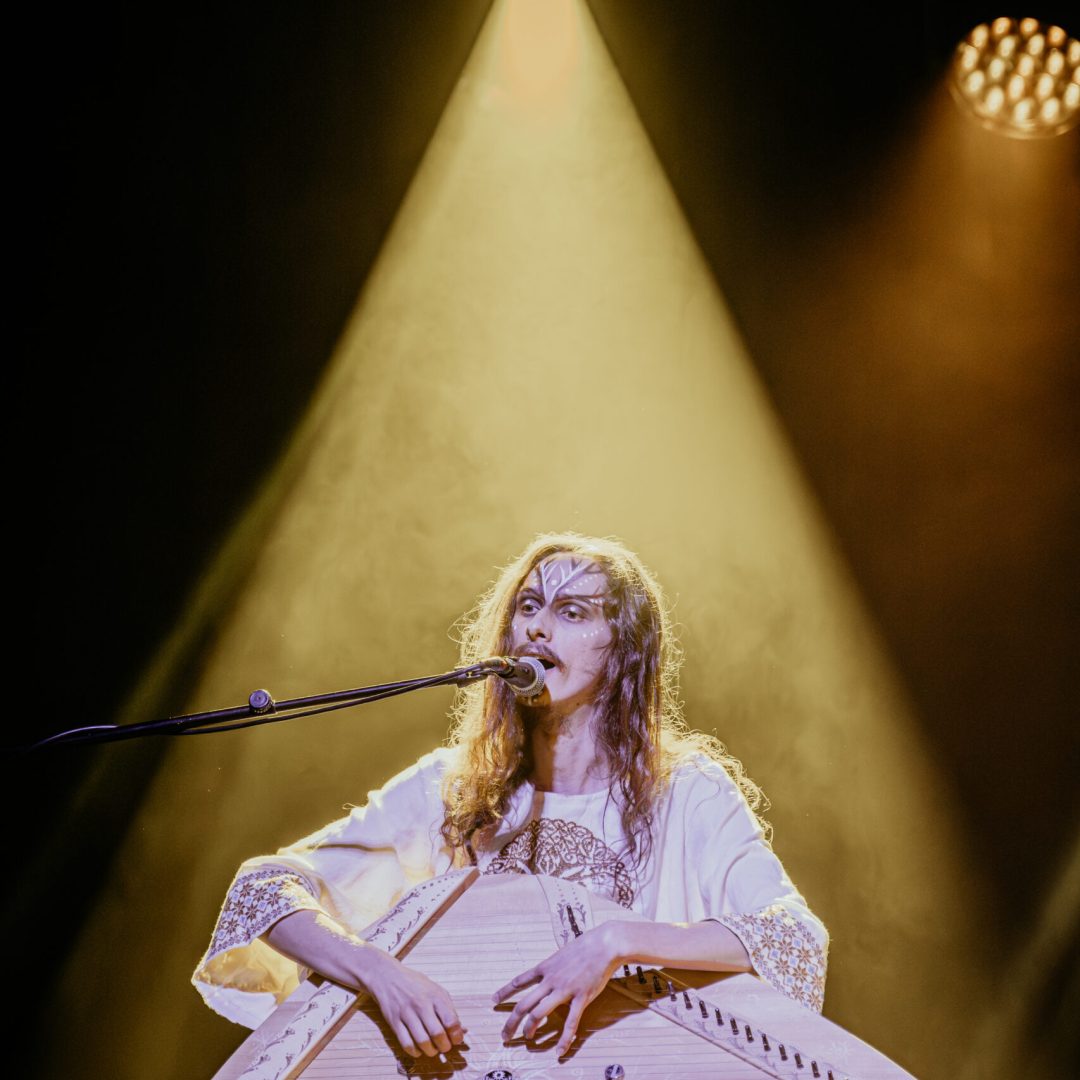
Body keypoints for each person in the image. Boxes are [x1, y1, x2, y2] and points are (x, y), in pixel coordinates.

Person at [193, 533, 827, 1061]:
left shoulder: (687, 793)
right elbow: (264, 891)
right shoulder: (455, 787)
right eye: (528, 606)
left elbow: (793, 940)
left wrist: (615, 942)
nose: (536, 629)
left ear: (625, 650)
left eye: (572, 613)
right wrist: (381, 974)